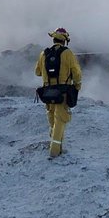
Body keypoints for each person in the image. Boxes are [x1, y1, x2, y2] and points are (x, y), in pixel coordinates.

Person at [35, 27, 82, 158]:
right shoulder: (68, 53)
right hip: (62, 93)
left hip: (47, 93)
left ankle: (57, 146)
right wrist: (77, 86)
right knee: (60, 120)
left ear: (54, 39)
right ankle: (54, 151)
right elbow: (76, 73)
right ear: (65, 41)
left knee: (52, 120)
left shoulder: (43, 54)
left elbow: (37, 72)